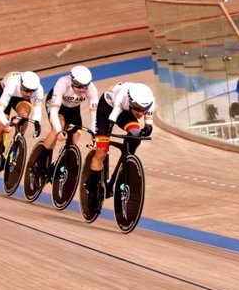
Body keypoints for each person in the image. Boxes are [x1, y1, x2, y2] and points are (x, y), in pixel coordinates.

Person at [83, 81, 155, 210]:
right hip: (108, 109)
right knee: (102, 151)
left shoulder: (149, 102)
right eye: (138, 109)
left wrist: (144, 131)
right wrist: (102, 137)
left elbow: (148, 126)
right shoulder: (122, 97)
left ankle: (127, 160)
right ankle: (92, 188)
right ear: (132, 102)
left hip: (127, 113)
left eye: (143, 110)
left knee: (135, 135)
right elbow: (112, 119)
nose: (140, 113)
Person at [36, 65, 99, 177]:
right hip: (57, 106)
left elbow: (94, 116)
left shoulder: (92, 89)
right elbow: (54, 112)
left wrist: (95, 136)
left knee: (75, 137)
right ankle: (40, 162)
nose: (82, 90)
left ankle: (60, 165)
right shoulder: (62, 83)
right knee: (58, 127)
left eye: (85, 87)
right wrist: (59, 131)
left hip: (73, 108)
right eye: (79, 87)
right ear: (72, 82)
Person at [0, 71, 44, 179]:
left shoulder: (39, 90)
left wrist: (37, 123)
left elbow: (37, 110)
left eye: (31, 91)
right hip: (6, 95)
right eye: (27, 90)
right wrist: (6, 123)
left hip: (20, 100)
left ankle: (18, 140)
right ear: (21, 84)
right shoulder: (12, 85)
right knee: (1, 128)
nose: (29, 94)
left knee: (24, 116)